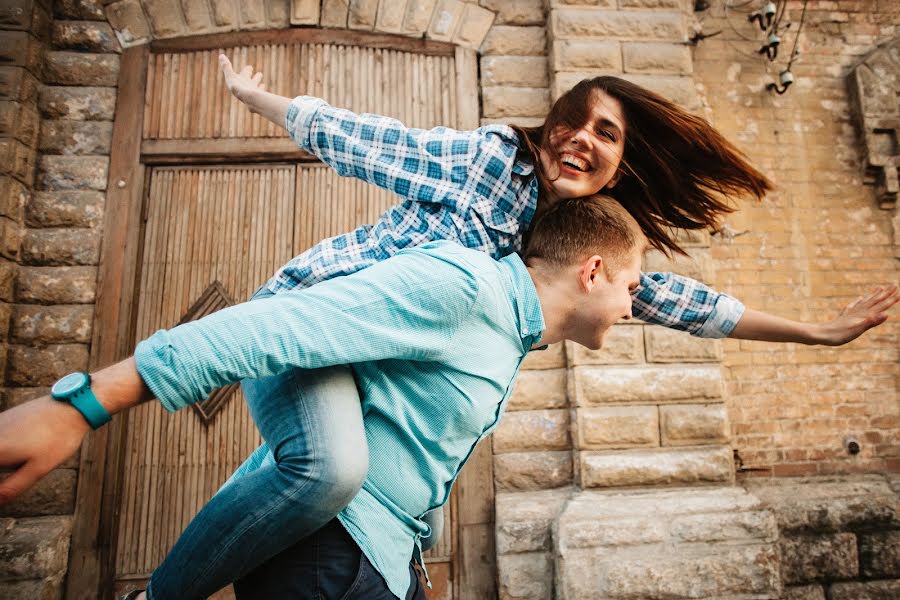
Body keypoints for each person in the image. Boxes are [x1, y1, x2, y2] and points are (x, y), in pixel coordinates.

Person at [3, 54, 897, 599]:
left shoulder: (579, 244)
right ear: (549, 126)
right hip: (313, 323)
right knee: (334, 467)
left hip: (373, 371)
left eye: (606, 133)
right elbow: (367, 138)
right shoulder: (484, 161)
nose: (579, 138)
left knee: (358, 478)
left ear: (624, 160)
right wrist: (258, 101)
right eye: (572, 120)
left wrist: (817, 334)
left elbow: (676, 301)